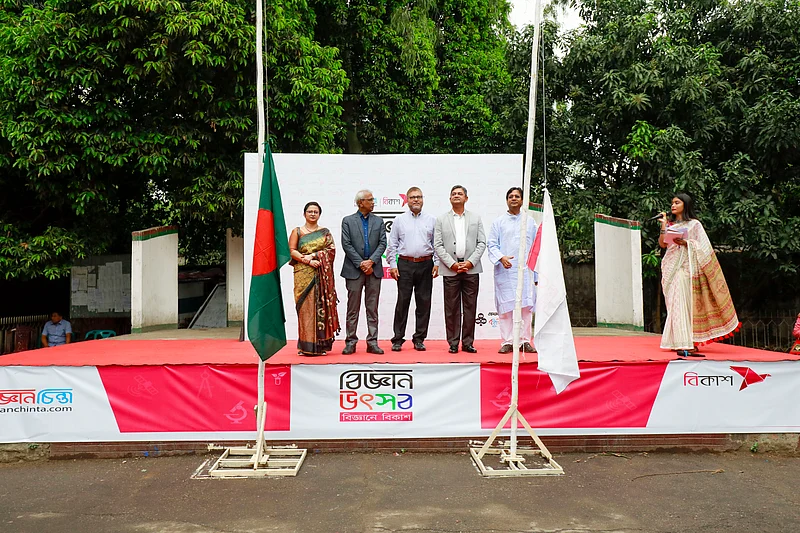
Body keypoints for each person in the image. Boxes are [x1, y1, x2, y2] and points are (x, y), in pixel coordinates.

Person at [658, 193, 739, 356]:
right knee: (674, 304)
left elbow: (703, 247)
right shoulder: (671, 224)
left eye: (677, 202)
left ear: (685, 205)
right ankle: (680, 342)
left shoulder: (694, 225)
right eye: (672, 203)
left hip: (686, 269)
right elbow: (663, 244)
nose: (673, 205)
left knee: (682, 303)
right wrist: (664, 226)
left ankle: (686, 343)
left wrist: (686, 243)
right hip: (671, 267)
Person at [434, 185, 486, 354]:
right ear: (450, 198)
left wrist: (470, 262)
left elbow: (481, 243)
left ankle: (468, 342)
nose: (456, 196)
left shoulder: (475, 218)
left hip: (471, 269)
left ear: (466, 198)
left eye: (460, 194)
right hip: (451, 270)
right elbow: (438, 245)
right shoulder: (441, 219)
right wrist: (452, 264)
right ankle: (453, 342)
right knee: (452, 308)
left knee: (470, 307)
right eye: (454, 194)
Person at [387, 187, 439, 352]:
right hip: (405, 265)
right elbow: (392, 245)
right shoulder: (399, 220)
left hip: (426, 264)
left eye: (419, 197)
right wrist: (393, 266)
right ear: (407, 200)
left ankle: (419, 339)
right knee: (403, 302)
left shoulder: (432, 220)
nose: (416, 200)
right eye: (412, 197)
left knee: (424, 303)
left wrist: (436, 263)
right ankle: (397, 339)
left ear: (423, 199)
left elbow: (436, 245)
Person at [487, 187, 538, 354]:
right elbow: (492, 245)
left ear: (522, 200)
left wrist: (536, 274)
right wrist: (501, 258)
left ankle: (525, 341)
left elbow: (536, 250)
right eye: (510, 196)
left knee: (525, 308)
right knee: (506, 309)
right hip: (505, 271)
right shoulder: (498, 222)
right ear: (506, 200)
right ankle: (507, 341)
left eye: (517, 196)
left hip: (525, 271)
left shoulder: (529, 222)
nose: (514, 199)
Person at [288, 202, 340, 356]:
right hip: (303, 274)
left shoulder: (325, 233)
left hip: (321, 276)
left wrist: (316, 255)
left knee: (321, 307)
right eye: (309, 211)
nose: (312, 214)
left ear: (319, 214)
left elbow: (331, 251)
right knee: (305, 309)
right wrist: (308, 261)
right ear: (304, 214)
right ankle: (305, 346)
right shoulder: (297, 231)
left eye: (315, 212)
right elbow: (292, 250)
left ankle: (320, 346)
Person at [340, 189, 387, 355]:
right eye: (370, 200)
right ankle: (350, 341)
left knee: (372, 308)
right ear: (361, 203)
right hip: (354, 270)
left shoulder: (379, 221)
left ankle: (372, 342)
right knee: (352, 308)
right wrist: (361, 263)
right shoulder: (347, 221)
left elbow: (383, 243)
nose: (373, 202)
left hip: (374, 270)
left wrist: (371, 262)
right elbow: (346, 245)